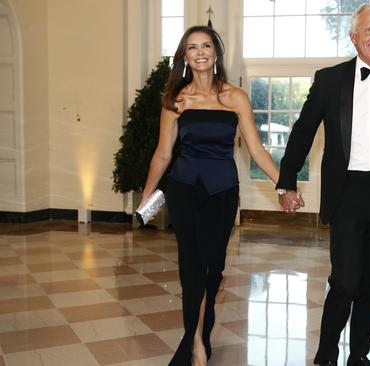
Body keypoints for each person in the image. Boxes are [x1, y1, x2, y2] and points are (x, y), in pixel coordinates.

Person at [276, 4, 370, 366]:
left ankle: (358, 357)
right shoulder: (330, 80)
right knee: (345, 281)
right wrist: (286, 181)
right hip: (348, 194)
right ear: (354, 36)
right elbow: (303, 131)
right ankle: (326, 355)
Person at [140, 25, 295, 366]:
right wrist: (146, 197)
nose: (199, 52)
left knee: (214, 269)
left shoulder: (236, 97)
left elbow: (256, 150)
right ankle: (193, 343)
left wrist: (283, 184)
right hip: (184, 189)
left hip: (222, 192)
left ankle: (201, 332)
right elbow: (163, 154)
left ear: (215, 53)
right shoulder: (176, 100)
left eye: (206, 45)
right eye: (192, 47)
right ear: (184, 57)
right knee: (190, 266)